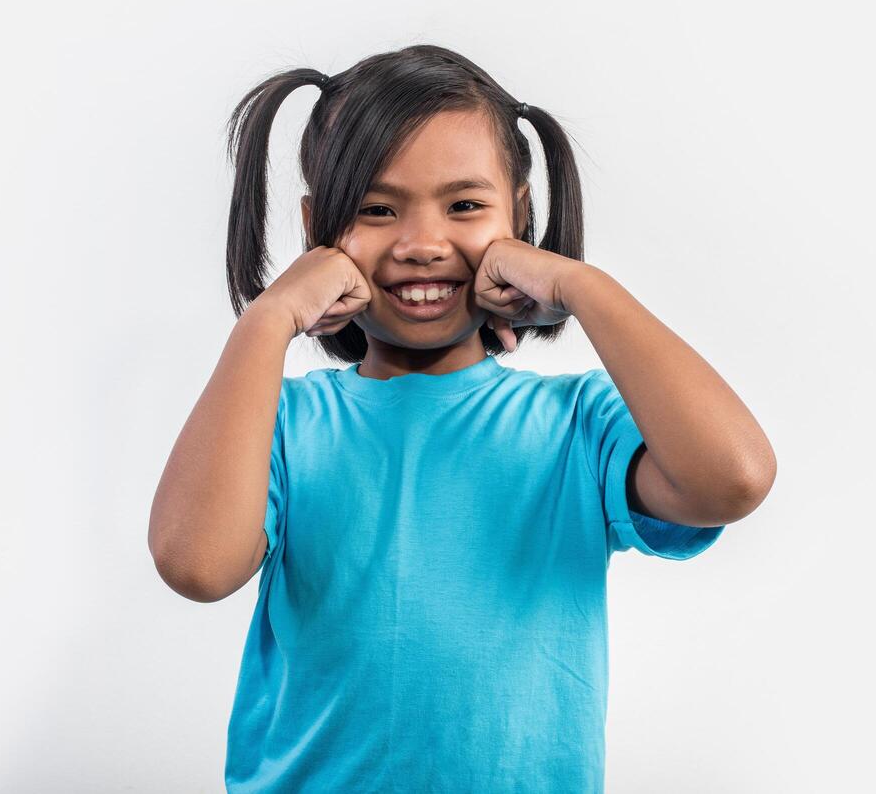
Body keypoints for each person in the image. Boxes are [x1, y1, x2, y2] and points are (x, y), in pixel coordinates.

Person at [147, 43, 777, 791]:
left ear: (519, 220)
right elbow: (196, 565)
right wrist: (269, 318)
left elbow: (732, 479)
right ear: (320, 231)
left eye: (465, 206)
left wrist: (580, 285)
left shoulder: (577, 424)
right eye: (376, 210)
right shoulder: (278, 425)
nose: (420, 244)